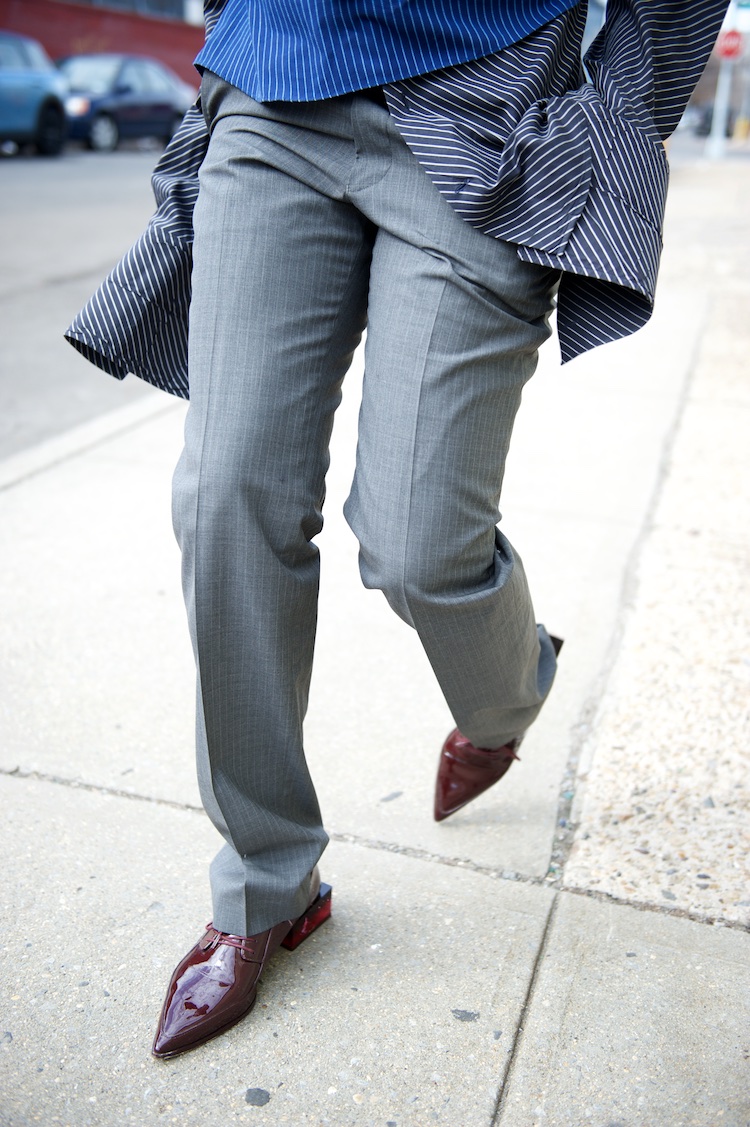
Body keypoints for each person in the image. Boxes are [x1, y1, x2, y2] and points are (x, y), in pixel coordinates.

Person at [65, 0, 729, 1060]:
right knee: (226, 494)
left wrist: (607, 120)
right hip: (279, 92)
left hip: (490, 109)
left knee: (420, 538)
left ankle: (511, 689)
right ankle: (266, 885)